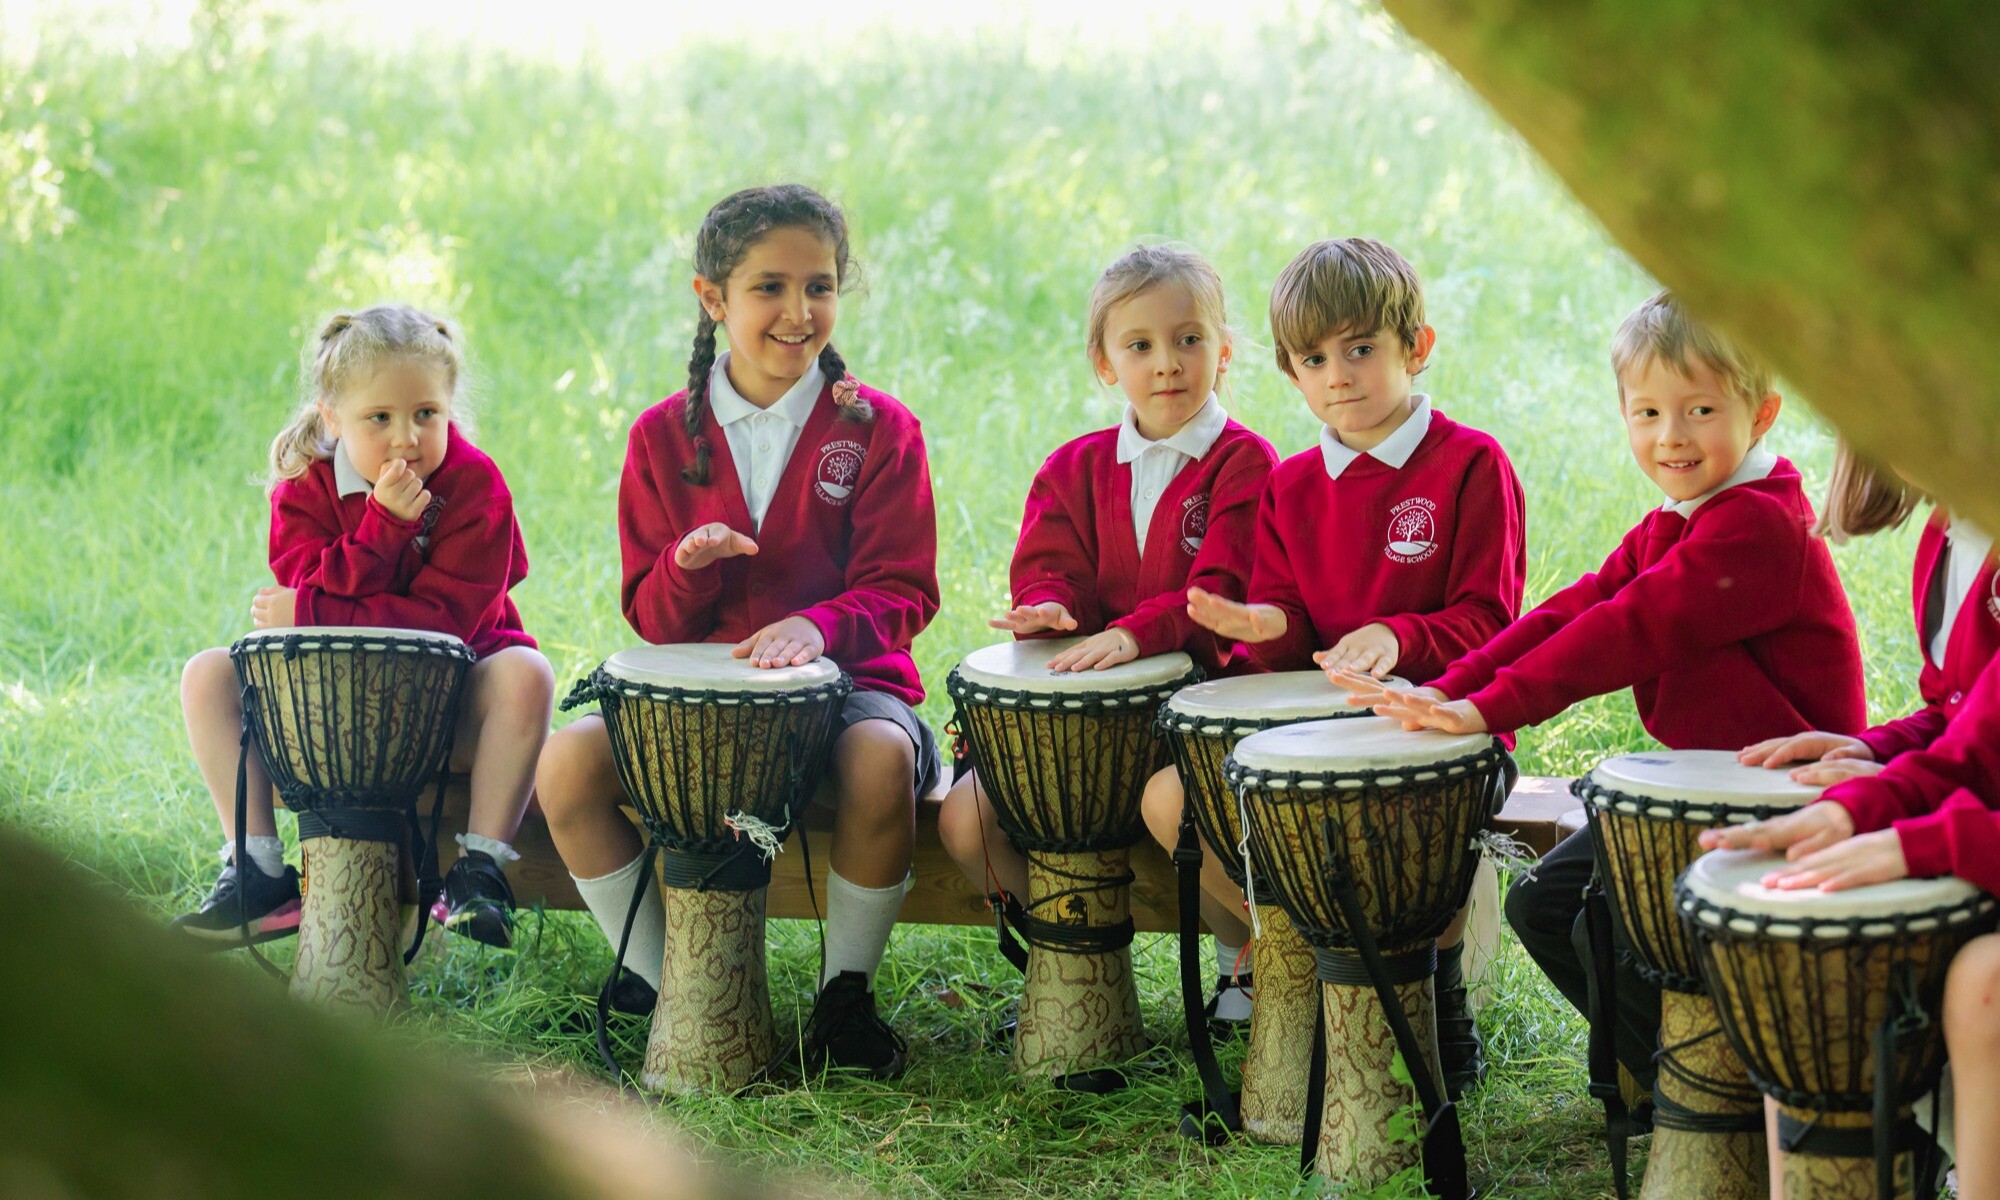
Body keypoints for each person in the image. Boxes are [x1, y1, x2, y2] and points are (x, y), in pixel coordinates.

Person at [1344, 289, 1866, 1095]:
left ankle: (1714, 1096)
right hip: (1704, 791)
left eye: (1699, 410)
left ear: (1760, 415)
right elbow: (1575, 606)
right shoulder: (1681, 517)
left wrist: (1488, 709)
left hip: (1782, 797)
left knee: (1589, 923)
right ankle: (1679, 1086)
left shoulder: (1758, 525)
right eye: (1648, 412)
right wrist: (1448, 687)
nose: (1671, 436)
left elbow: (1626, 630)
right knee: (1547, 909)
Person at [535, 184, 941, 1080]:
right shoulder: (659, 438)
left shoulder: (877, 428)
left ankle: (845, 1000)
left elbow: (905, 590)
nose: (799, 312)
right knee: (566, 764)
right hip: (700, 700)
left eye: (820, 286)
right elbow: (648, 616)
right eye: (769, 288)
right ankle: (655, 982)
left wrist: (816, 626)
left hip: (849, 686)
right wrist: (686, 567)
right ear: (712, 298)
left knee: (880, 758)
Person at [1168, 236, 1527, 1091]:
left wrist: (1400, 638)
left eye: (1361, 349)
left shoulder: (1472, 464)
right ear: (1292, 375)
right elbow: (1288, 637)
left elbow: (1491, 620)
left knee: (1402, 824)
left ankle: (1436, 1000)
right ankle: (1303, 974)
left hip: (1444, 730)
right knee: (1168, 799)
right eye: (1314, 359)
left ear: (1417, 347)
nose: (1340, 375)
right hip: (1322, 738)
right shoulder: (1292, 485)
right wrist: (1259, 622)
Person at [936, 243, 1276, 1016]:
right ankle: (1071, 952)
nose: (1168, 363)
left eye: (1190, 339)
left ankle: (1239, 960)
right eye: (1140, 345)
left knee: (1188, 812)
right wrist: (1051, 609)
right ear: (1104, 363)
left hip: (1195, 723)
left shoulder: (1244, 464)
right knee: (966, 820)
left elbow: (1221, 593)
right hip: (1084, 744)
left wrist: (1134, 633)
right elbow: (1051, 568)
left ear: (1224, 352)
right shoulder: (1074, 468)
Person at [174, 304, 553, 950]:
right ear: (332, 417)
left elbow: (444, 629)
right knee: (207, 674)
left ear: (449, 406)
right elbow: (305, 585)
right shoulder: (304, 484)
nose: (406, 438)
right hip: (329, 715)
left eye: (425, 414)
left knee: (527, 674)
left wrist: (316, 608)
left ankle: (480, 871)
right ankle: (258, 869)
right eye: (379, 418)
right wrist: (381, 528)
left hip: (450, 711)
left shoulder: (476, 487)